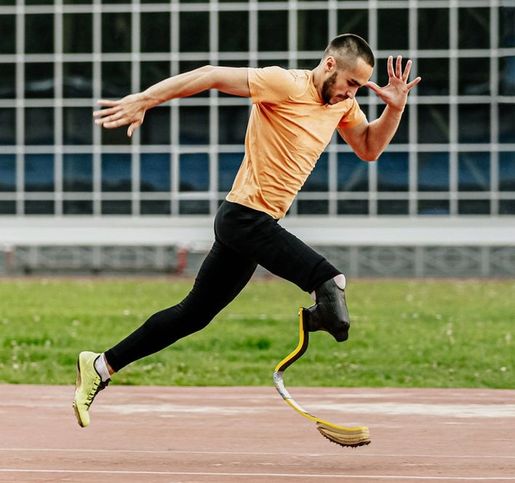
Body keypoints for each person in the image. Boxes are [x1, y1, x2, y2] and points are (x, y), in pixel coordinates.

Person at [73, 33, 421, 428]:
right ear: (329, 65)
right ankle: (317, 313)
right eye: (350, 83)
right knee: (329, 282)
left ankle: (100, 365)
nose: (352, 93)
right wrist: (146, 99)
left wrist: (394, 110)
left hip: (256, 224)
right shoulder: (285, 84)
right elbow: (209, 75)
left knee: (193, 315)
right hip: (244, 218)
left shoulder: (341, 106)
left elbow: (368, 148)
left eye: (358, 87)